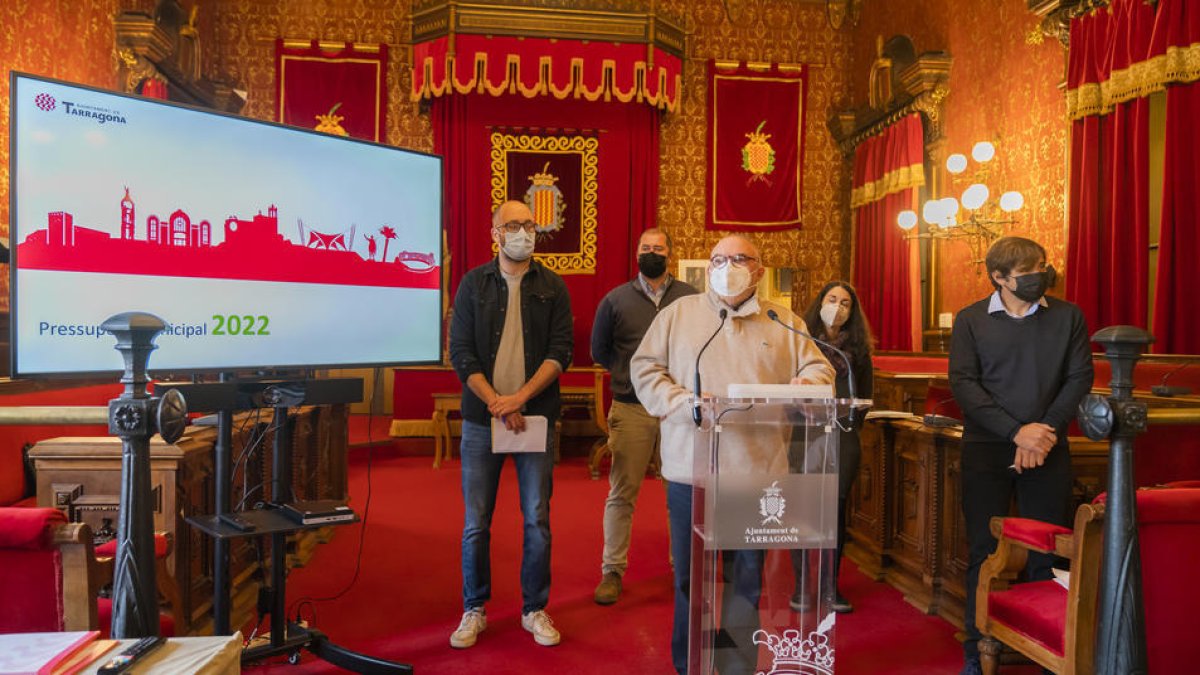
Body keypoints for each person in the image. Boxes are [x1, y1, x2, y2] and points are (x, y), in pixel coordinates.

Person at [631, 234, 834, 675]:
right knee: (692, 579)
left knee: (745, 579)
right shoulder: (678, 315)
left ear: (759, 270)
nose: (729, 266)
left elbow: (821, 368)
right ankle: (691, 664)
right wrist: (681, 401)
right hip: (692, 471)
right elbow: (645, 368)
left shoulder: (784, 320)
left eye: (740, 258)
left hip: (758, 475)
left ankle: (738, 665)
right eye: (719, 259)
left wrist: (809, 386)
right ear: (709, 268)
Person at [948, 236, 1092, 675]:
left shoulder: (1068, 316)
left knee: (1046, 551)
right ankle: (978, 647)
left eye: (1043, 267)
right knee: (983, 551)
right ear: (998, 277)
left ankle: (1038, 647)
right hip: (987, 448)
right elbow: (965, 385)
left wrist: (1041, 434)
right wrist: (1016, 433)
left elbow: (1079, 378)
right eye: (1029, 272)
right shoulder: (970, 319)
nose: (1040, 276)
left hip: (1049, 447)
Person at [447, 200, 574, 649]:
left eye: (530, 225)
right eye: (514, 225)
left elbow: (561, 352)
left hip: (535, 417)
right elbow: (461, 353)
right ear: (496, 231)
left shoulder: (553, 286)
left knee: (537, 518)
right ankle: (474, 608)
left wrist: (519, 398)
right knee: (476, 522)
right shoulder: (472, 284)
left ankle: (534, 608)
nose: (524, 232)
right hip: (483, 420)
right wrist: (498, 404)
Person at [591, 228, 699, 605]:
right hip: (632, 408)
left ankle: (683, 569)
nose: (652, 252)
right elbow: (600, 350)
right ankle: (612, 571)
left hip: (678, 411)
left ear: (670, 252)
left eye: (659, 247)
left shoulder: (690, 298)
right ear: (636, 253)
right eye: (645, 248)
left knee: (681, 494)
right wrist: (629, 377)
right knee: (622, 494)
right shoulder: (615, 300)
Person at [791, 280, 874, 614]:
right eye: (831, 299)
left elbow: (866, 397)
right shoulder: (799, 340)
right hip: (802, 432)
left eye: (845, 303)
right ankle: (801, 586)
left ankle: (829, 585)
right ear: (819, 302)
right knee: (800, 510)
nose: (838, 307)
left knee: (834, 513)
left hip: (841, 434)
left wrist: (848, 420)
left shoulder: (858, 349)